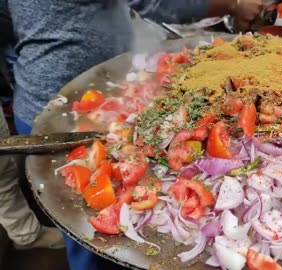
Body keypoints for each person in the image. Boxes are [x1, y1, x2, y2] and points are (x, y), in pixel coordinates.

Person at [1, 0, 263, 269]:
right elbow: (153, 3)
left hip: (40, 90)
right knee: (89, 232)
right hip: (66, 106)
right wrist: (234, 4)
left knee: (85, 228)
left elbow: (6, 23)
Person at [0, 1, 65, 251]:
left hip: (29, 91)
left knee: (5, 169)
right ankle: (25, 235)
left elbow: (6, 24)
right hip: (42, 98)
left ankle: (25, 233)